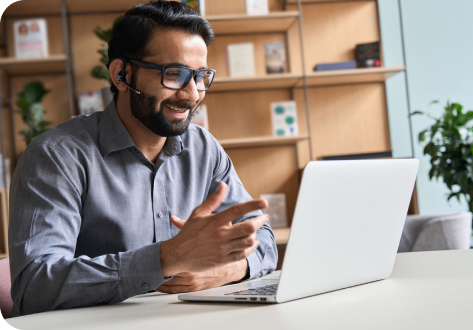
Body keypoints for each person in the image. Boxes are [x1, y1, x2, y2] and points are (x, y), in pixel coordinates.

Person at [8, 1, 277, 317]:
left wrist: (223, 271)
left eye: (200, 76)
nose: (192, 94)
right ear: (121, 75)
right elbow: (34, 287)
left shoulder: (203, 149)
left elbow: (265, 242)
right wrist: (168, 258)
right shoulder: (56, 157)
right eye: (173, 74)